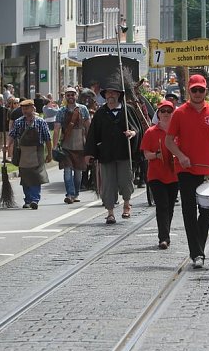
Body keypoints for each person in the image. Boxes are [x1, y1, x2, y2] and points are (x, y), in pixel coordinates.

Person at [165, 74, 209, 269]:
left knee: (206, 211)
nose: (197, 93)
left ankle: (198, 250)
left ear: (205, 91)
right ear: (189, 91)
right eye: (194, 90)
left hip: (207, 170)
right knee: (188, 211)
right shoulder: (179, 113)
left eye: (200, 90)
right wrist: (180, 156)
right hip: (185, 170)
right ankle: (197, 253)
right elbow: (169, 141)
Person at [83, 82, 143, 223]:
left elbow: (138, 128)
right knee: (108, 185)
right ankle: (110, 213)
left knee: (126, 182)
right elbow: (93, 134)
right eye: (108, 93)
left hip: (124, 153)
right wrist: (89, 153)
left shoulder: (128, 110)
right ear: (105, 96)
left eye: (113, 92)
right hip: (106, 154)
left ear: (119, 95)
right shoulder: (100, 113)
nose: (110, 95)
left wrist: (132, 133)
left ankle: (126, 205)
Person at [140, 100, 178, 249]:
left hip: (174, 175)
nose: (166, 114)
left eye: (169, 111)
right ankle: (163, 238)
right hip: (156, 175)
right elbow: (146, 154)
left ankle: (165, 234)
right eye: (163, 111)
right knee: (162, 206)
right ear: (158, 114)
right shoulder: (150, 132)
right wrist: (156, 155)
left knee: (170, 207)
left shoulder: (178, 132)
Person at [8, 99, 52, 209]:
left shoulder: (41, 122)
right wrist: (8, 146)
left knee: (36, 176)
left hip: (37, 152)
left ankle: (34, 199)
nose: (24, 111)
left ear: (33, 108)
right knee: (25, 176)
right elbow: (12, 135)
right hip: (23, 152)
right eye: (23, 109)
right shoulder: (18, 122)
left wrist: (49, 153)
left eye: (27, 108)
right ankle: (28, 199)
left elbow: (47, 138)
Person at [53, 87, 90, 204]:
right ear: (65, 97)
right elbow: (57, 129)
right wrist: (54, 146)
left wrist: (90, 144)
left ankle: (76, 193)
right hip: (66, 146)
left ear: (76, 96)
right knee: (67, 172)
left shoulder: (83, 109)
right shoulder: (61, 111)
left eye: (72, 95)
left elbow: (88, 127)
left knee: (78, 174)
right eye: (68, 95)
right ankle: (69, 194)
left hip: (80, 146)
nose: (70, 97)